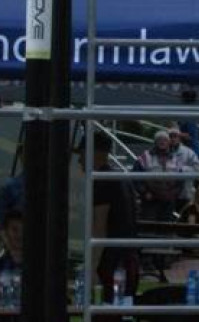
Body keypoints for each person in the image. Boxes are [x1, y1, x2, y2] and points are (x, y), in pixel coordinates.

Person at [78, 133, 140, 317]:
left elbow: (99, 227)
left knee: (106, 311)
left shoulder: (102, 181)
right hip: (128, 259)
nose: (80, 160)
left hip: (112, 263)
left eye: (81, 154)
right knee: (123, 310)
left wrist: (90, 268)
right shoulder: (122, 179)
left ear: (93, 153)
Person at [132, 130, 182, 221]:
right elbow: (136, 177)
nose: (162, 142)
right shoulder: (145, 157)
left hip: (168, 202)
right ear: (155, 142)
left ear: (169, 142)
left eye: (165, 140)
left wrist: (174, 194)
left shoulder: (176, 159)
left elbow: (180, 181)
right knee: (149, 229)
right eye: (159, 139)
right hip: (150, 201)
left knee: (165, 229)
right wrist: (144, 192)